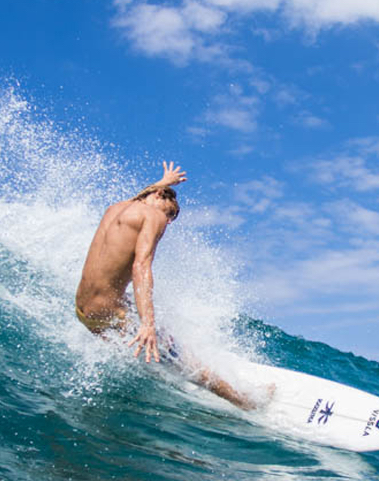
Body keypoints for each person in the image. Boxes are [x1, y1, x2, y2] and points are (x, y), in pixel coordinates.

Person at [75, 161, 260, 409]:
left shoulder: (116, 208)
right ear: (160, 197)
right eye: (170, 213)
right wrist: (147, 324)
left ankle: (157, 373)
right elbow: (141, 266)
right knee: (179, 356)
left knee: (144, 337)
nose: (168, 221)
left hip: (83, 311)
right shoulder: (154, 216)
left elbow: (141, 197)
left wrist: (162, 182)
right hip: (108, 314)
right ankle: (244, 401)